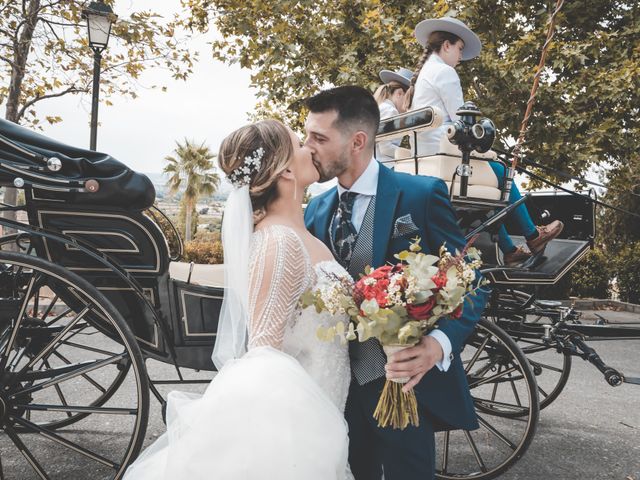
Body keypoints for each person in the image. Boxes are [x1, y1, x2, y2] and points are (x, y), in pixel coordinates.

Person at [124, 119, 354, 480]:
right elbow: (265, 352)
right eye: (298, 143)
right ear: (285, 172)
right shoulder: (279, 243)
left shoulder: (300, 234)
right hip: (299, 430)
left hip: (326, 406)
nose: (309, 147)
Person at [303, 85, 489, 480]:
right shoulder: (315, 209)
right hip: (335, 388)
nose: (307, 148)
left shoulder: (419, 195)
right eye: (307, 137)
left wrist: (436, 347)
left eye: (318, 138)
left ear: (357, 141)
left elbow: (472, 281)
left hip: (405, 386)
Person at [403, 17, 563, 265]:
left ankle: (510, 249)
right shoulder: (444, 72)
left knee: (490, 191)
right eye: (459, 49)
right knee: (502, 171)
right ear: (447, 45)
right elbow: (464, 123)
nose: (460, 56)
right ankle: (533, 235)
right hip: (447, 155)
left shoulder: (426, 72)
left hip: (429, 154)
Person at [373, 67, 412, 164]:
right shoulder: (390, 110)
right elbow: (385, 148)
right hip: (386, 164)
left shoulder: (383, 107)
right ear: (399, 93)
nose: (410, 104)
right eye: (409, 99)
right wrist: (410, 155)